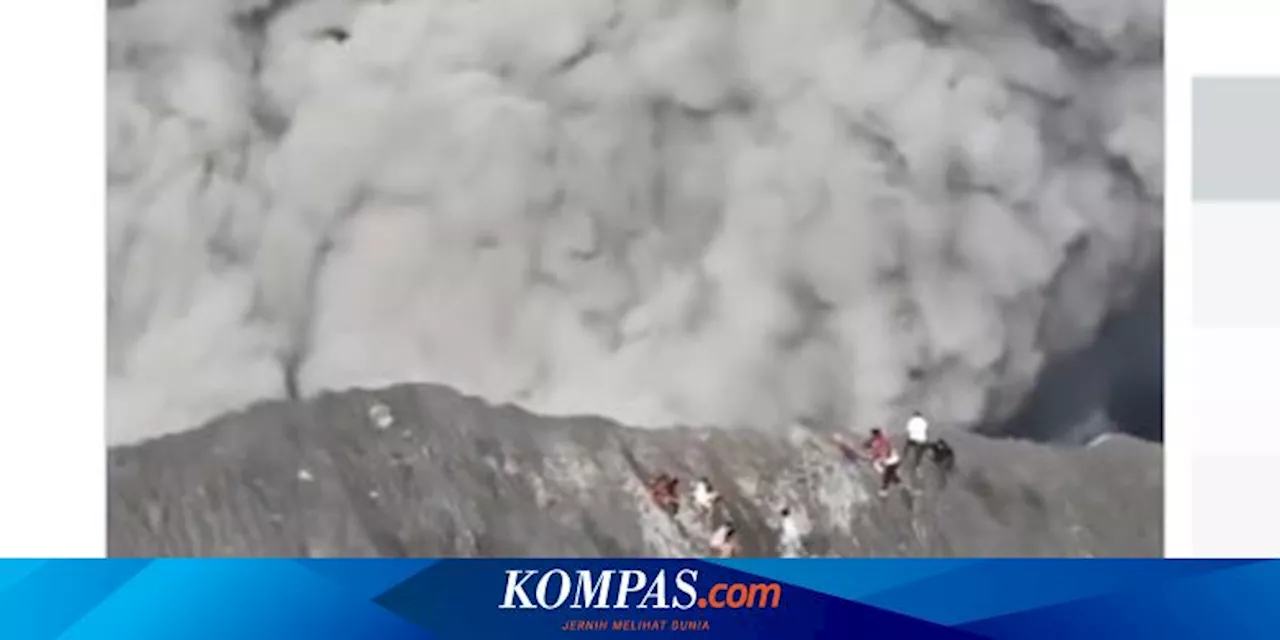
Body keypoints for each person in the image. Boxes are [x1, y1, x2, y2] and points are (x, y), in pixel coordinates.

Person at [863, 428, 902, 498]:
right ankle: (898, 484)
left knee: (886, 476)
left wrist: (873, 457)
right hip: (896, 460)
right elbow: (870, 443)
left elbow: (880, 452)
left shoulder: (878, 441)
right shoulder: (884, 438)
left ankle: (884, 491)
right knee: (890, 474)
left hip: (891, 461)